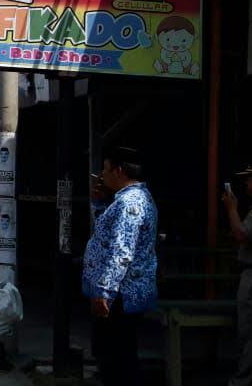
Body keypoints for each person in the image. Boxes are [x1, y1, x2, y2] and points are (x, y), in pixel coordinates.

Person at [82, 146, 158, 386]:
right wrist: (98, 203)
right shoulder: (129, 200)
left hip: (120, 294)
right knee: (115, 354)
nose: (101, 175)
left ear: (118, 170)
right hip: (122, 292)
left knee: (117, 358)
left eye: (104, 169)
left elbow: (121, 251)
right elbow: (110, 235)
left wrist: (104, 291)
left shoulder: (129, 203)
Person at [222, 163, 252, 386]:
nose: (247, 183)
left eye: (250, 178)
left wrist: (231, 208)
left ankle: (243, 381)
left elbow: (242, 233)